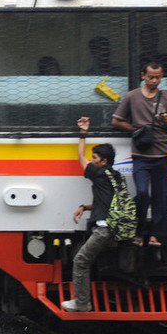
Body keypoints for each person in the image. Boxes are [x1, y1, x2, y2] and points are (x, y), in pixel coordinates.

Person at [112, 61, 167, 247]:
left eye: (158, 77)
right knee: (141, 193)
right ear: (143, 75)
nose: (154, 81)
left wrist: (164, 119)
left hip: (162, 155)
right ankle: (139, 231)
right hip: (140, 155)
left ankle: (155, 235)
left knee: (161, 197)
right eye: (151, 77)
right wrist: (136, 130)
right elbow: (116, 121)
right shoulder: (132, 97)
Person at [61, 117, 118, 312]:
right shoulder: (116, 177)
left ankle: (82, 303)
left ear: (103, 162)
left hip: (103, 229)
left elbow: (80, 157)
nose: (92, 161)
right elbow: (105, 202)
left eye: (95, 158)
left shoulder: (98, 173)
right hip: (116, 228)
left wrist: (83, 133)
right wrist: (85, 207)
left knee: (80, 260)